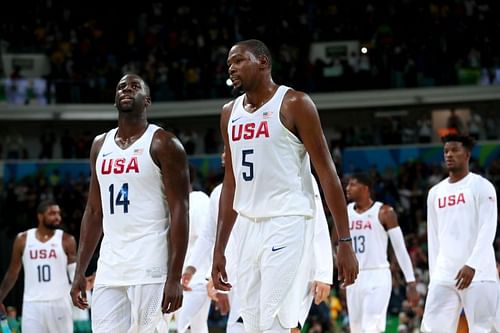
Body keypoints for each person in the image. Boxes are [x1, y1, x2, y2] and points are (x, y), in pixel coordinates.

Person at [211, 39, 358, 332]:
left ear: (263, 62)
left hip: (287, 220)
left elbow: (327, 173)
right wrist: (219, 248)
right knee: (251, 324)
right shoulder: (229, 112)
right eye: (229, 63)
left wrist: (344, 241)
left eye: (239, 60)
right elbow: (231, 183)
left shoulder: (295, 103)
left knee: (274, 319)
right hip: (248, 225)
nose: (232, 67)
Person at [70, 73, 190, 332]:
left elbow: (180, 210)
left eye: (135, 87)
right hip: (110, 265)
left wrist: (175, 276)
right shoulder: (99, 145)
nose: (127, 89)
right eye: (121, 87)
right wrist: (80, 270)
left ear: (147, 100)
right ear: (115, 100)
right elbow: (93, 211)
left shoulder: (164, 143)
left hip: (151, 264)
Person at [421, 134, 499, 332]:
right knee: (432, 329)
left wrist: (472, 264)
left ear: (467, 155)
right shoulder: (435, 192)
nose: (449, 155)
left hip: (479, 273)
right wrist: (434, 276)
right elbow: (434, 237)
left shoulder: (482, 186)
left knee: (483, 328)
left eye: (455, 150)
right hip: (445, 274)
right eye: (446, 151)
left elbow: (488, 228)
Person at [344, 173, 419, 333]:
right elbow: (335, 243)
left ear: (365, 189)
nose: (347, 188)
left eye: (352, 184)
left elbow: (400, 248)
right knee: (356, 330)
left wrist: (411, 283)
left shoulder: (385, 212)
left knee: (370, 329)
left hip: (377, 275)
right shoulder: (345, 212)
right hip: (353, 278)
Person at [0, 200, 77, 333]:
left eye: (58, 213)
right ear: (40, 216)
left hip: (59, 302)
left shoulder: (67, 240)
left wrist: (81, 288)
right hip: (32, 304)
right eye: (52, 213)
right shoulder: (22, 239)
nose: (57, 217)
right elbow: (12, 273)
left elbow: (74, 273)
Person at [158, 167, 212, 333]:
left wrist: (209, 276)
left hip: (194, 281)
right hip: (169, 280)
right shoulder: (166, 206)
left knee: (189, 328)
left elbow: (209, 239)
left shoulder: (198, 200)